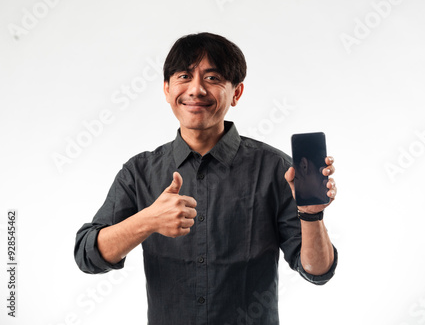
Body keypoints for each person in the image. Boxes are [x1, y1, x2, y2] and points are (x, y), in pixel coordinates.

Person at [74, 32, 338, 325]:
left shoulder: (276, 169)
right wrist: (148, 220)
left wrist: (311, 215)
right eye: (184, 76)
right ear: (166, 89)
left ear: (236, 93)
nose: (196, 89)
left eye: (212, 78)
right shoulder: (139, 172)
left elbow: (317, 271)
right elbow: (87, 256)